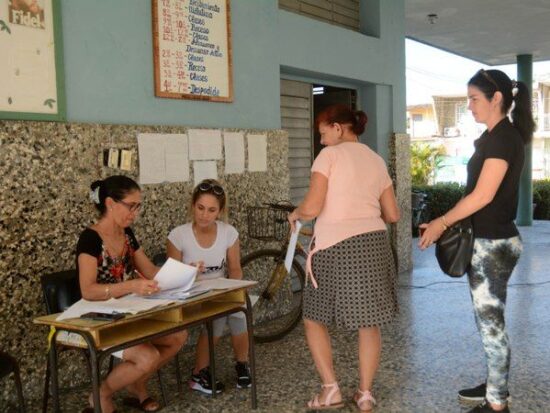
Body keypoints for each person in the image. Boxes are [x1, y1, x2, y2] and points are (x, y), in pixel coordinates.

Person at [419, 69, 535, 413]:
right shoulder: (498, 136)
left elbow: (483, 195)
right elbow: (478, 196)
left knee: (491, 326)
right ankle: (495, 384)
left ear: (495, 98)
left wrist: (441, 222)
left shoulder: (502, 139)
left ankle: (497, 403)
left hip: (493, 245)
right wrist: (446, 222)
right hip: (490, 240)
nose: (468, 106)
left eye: (473, 98)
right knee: (490, 322)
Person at [287, 104, 400, 411]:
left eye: (323, 133)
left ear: (338, 128)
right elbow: (392, 213)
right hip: (375, 245)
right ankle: (365, 395)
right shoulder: (376, 160)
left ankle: (330, 390)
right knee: (370, 323)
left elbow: (311, 207)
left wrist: (296, 214)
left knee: (313, 317)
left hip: (336, 247)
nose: (321, 141)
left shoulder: (330, 156)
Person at [77, 175, 187, 413]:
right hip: (99, 318)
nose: (135, 212)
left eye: (138, 206)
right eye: (131, 206)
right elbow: (88, 290)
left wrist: (186, 271)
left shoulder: (127, 235)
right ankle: (101, 395)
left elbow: (150, 271)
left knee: (177, 336)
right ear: (110, 203)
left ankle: (136, 384)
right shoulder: (90, 239)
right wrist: (130, 286)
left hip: (129, 312)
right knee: (146, 357)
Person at [166, 179, 251, 395]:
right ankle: (199, 373)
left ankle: (242, 364)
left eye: (212, 210)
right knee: (217, 317)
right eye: (200, 208)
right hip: (189, 294)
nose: (204, 215)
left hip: (219, 290)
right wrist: (189, 270)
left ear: (220, 212)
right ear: (193, 206)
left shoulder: (228, 232)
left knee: (239, 314)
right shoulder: (178, 236)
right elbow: (171, 278)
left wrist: (234, 291)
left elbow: (235, 270)